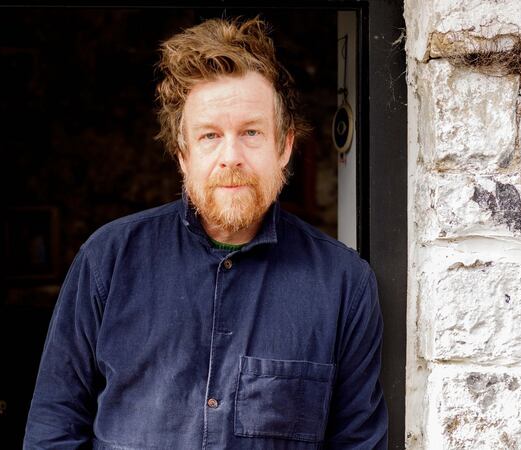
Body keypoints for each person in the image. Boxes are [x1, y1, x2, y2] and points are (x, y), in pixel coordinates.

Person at [24, 16, 387, 449]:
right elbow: (53, 430)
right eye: (210, 135)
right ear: (183, 154)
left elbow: (357, 442)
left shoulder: (344, 284)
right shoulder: (108, 259)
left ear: (284, 146)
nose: (230, 156)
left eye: (251, 132)